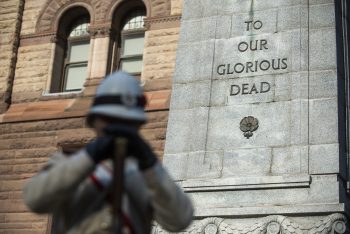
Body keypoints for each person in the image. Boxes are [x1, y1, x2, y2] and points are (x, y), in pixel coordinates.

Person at [23, 72, 193, 234]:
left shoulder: (146, 173)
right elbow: (35, 200)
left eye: (127, 123)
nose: (120, 129)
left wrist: (150, 163)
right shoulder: (68, 162)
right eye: (111, 121)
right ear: (95, 122)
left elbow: (180, 219)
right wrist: (91, 155)